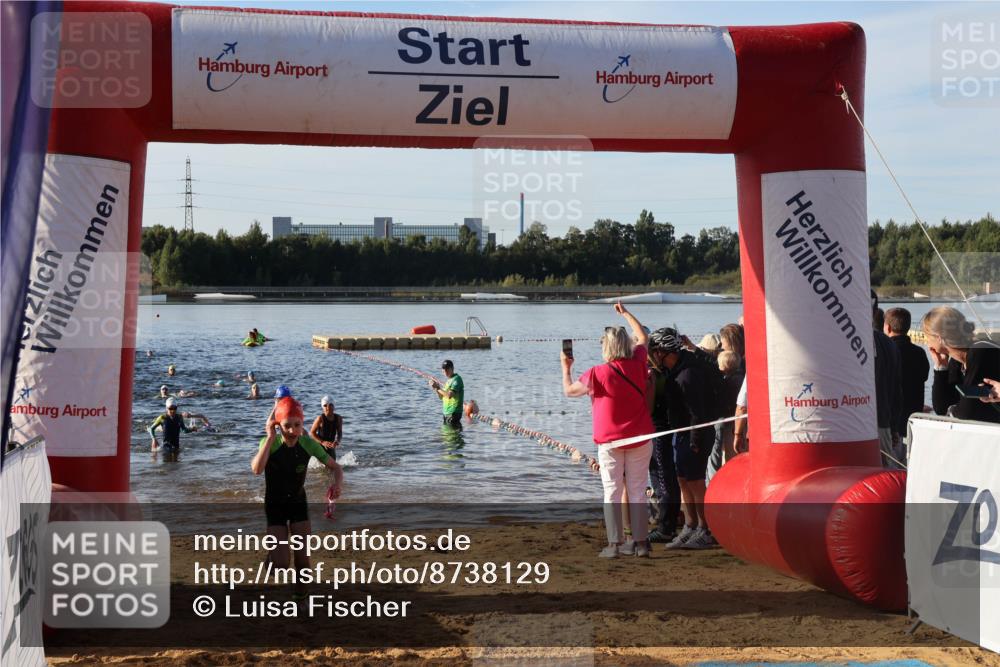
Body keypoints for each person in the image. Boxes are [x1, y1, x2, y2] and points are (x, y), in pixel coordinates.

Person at [562, 302, 654, 558]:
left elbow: (569, 392)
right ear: (626, 345)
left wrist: (565, 367)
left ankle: (615, 544)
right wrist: (625, 313)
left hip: (611, 441)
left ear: (606, 347)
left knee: (612, 491)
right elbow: (644, 337)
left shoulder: (597, 373)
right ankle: (641, 543)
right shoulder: (637, 363)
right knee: (637, 490)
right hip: (641, 437)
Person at [251, 397, 343, 600]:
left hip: (298, 503)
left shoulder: (308, 444)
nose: (292, 431)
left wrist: (337, 484)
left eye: (297, 425)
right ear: (277, 425)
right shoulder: (270, 443)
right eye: (286, 426)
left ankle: (301, 598)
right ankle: (272, 558)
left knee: (303, 560)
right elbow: (257, 469)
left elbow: (336, 467)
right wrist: (269, 437)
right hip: (275, 505)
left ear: (303, 424)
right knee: (282, 564)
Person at [651, 327, 718, 550]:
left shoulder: (688, 374)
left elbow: (698, 412)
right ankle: (690, 525)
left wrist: (695, 441)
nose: (652, 356)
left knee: (696, 482)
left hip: (695, 433)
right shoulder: (674, 369)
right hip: (680, 432)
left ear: (664, 351)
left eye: (654, 351)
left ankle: (706, 529)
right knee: (682, 479)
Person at [922, 306, 1000, 423]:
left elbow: (966, 411)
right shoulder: (957, 360)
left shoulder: (980, 351)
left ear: (939, 338)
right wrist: (941, 367)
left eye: (926, 336)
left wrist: (952, 411)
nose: (927, 342)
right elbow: (941, 409)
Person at [646, 331, 682, 544]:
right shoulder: (672, 370)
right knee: (667, 477)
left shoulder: (656, 375)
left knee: (662, 478)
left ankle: (666, 527)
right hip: (669, 428)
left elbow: (650, 407)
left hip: (660, 429)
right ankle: (669, 520)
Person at [884, 307, 930, 439]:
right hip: (913, 421)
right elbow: (924, 376)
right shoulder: (919, 352)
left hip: (891, 422)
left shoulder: (886, 352)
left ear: (887, 328)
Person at [871, 291, 903, 467]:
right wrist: (894, 426)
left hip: (866, 423)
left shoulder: (875, 342)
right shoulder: (889, 343)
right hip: (884, 422)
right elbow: (896, 390)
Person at [705, 350, 744, 484]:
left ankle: (717, 482)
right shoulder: (741, 379)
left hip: (728, 422)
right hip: (738, 421)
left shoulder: (726, 382)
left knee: (722, 454)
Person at [429, 360, 464, 428]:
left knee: (451, 436)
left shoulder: (457, 379)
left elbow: (449, 395)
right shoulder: (448, 381)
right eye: (444, 369)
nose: (445, 371)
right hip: (446, 413)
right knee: (446, 436)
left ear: (452, 369)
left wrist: (438, 388)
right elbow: (442, 397)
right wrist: (436, 388)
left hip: (454, 413)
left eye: (447, 369)